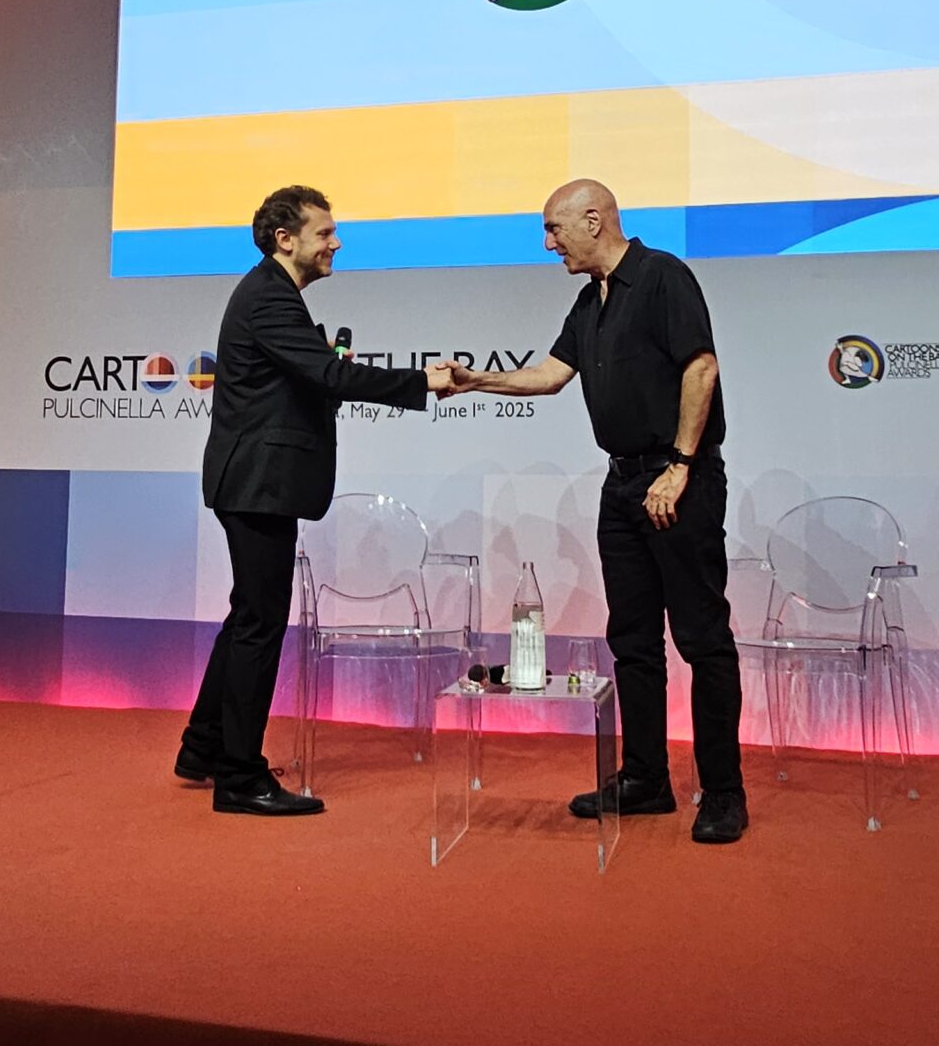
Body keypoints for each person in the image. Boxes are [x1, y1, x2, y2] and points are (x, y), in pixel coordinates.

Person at [446, 179, 746, 844]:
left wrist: (679, 465)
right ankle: (646, 779)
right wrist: (476, 380)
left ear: (592, 219)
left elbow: (701, 367)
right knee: (632, 640)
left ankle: (724, 791)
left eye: (554, 229)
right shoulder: (590, 301)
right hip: (622, 486)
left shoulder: (663, 276)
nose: (548, 244)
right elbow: (552, 375)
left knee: (701, 638)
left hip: (679, 480)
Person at [176, 185, 454, 816]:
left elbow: (310, 380)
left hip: (257, 484)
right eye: (324, 233)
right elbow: (330, 376)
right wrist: (422, 381)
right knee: (259, 624)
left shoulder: (273, 295)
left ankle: (204, 747)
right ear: (286, 239)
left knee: (248, 616)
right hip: (257, 485)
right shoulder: (269, 298)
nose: (337, 243)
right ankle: (239, 778)